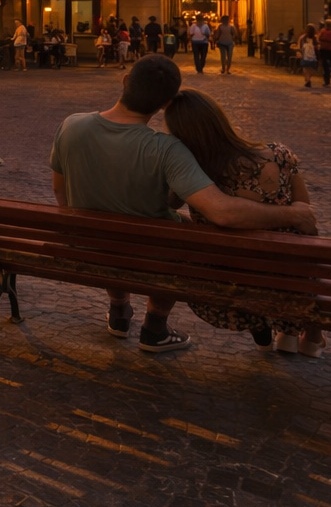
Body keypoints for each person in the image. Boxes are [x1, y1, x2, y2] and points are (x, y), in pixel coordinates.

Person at [49, 55, 316, 353]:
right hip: (150, 256)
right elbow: (223, 212)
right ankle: (155, 326)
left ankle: (119, 309)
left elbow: (60, 192)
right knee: (183, 236)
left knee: (112, 216)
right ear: (165, 104)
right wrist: (292, 214)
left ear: (125, 81)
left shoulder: (71, 126)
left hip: (89, 247)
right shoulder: (166, 149)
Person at [165, 89, 325, 356]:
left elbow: (166, 205)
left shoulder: (193, 173)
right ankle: (304, 333)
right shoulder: (279, 155)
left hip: (226, 288)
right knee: (300, 248)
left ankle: (287, 332)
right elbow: (306, 219)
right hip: (286, 281)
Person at [297, 24, 318, 88]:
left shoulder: (302, 37)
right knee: (311, 67)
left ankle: (307, 79)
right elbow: (318, 45)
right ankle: (308, 79)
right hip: (313, 54)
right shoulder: (315, 37)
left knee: (305, 67)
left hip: (305, 54)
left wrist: (298, 51)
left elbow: (299, 45)